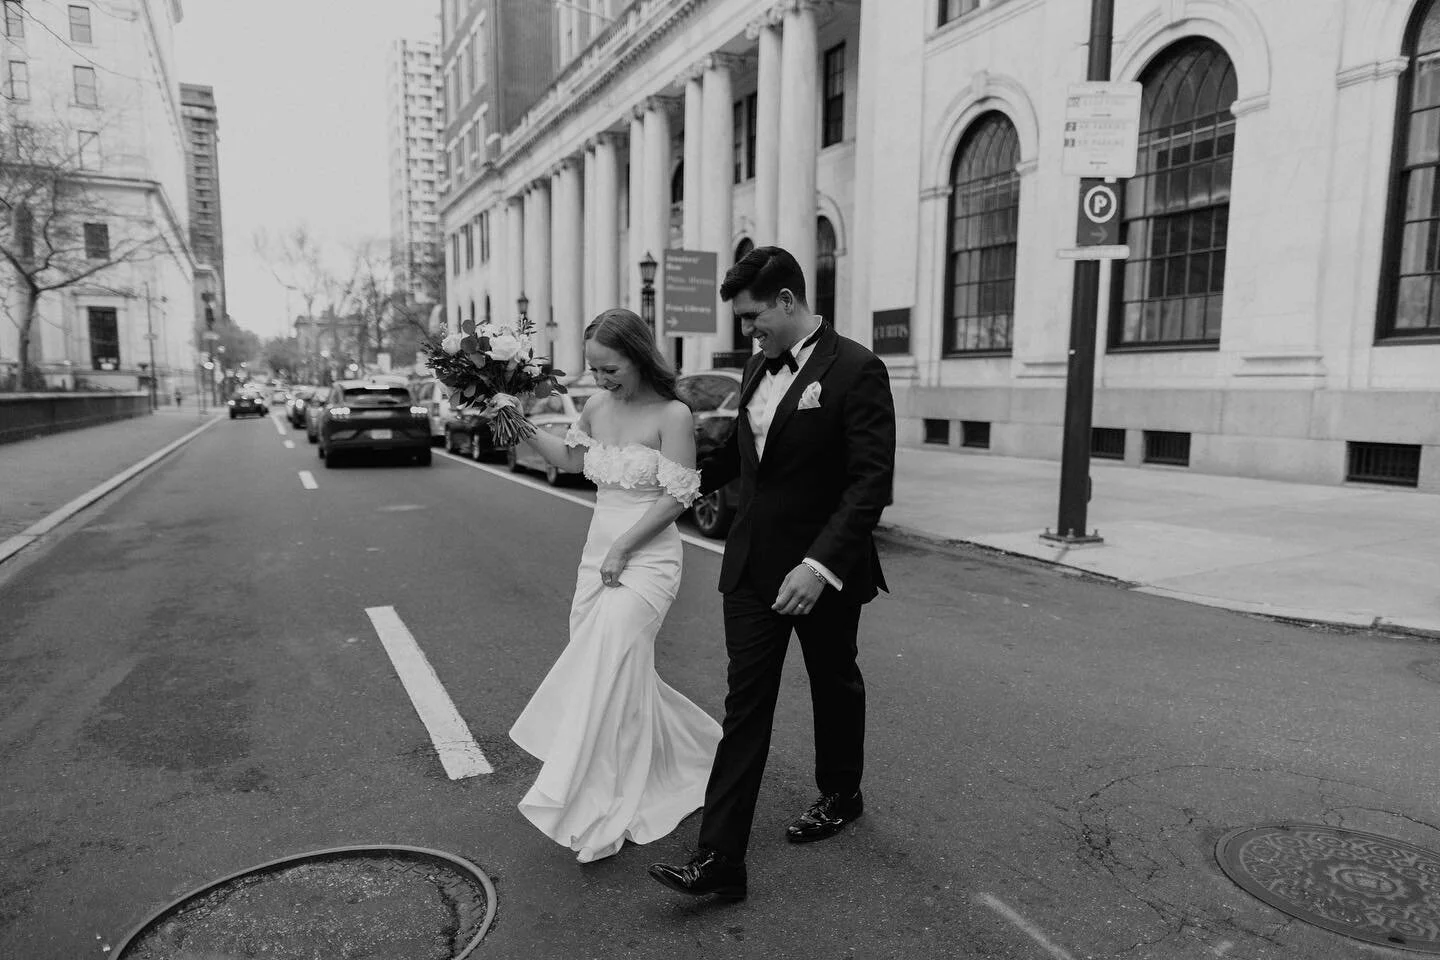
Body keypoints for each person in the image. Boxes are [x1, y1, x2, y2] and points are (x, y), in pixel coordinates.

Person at [648, 245, 896, 902]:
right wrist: (671, 488)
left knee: (834, 681)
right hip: (755, 564)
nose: (749, 330)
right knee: (745, 706)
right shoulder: (758, 365)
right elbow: (739, 456)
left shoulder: (857, 369)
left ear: (788, 300)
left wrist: (819, 566)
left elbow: (870, 483)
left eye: (755, 315)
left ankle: (841, 792)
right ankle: (721, 859)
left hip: (825, 567)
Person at [501, 307, 721, 863]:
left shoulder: (673, 414)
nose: (601, 381)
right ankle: (695, 752)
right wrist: (520, 423)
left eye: (610, 368)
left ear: (639, 355)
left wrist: (626, 546)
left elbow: (678, 497)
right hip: (597, 554)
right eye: (595, 370)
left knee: (606, 664)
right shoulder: (596, 407)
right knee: (616, 673)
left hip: (647, 559)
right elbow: (572, 464)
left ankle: (595, 801)